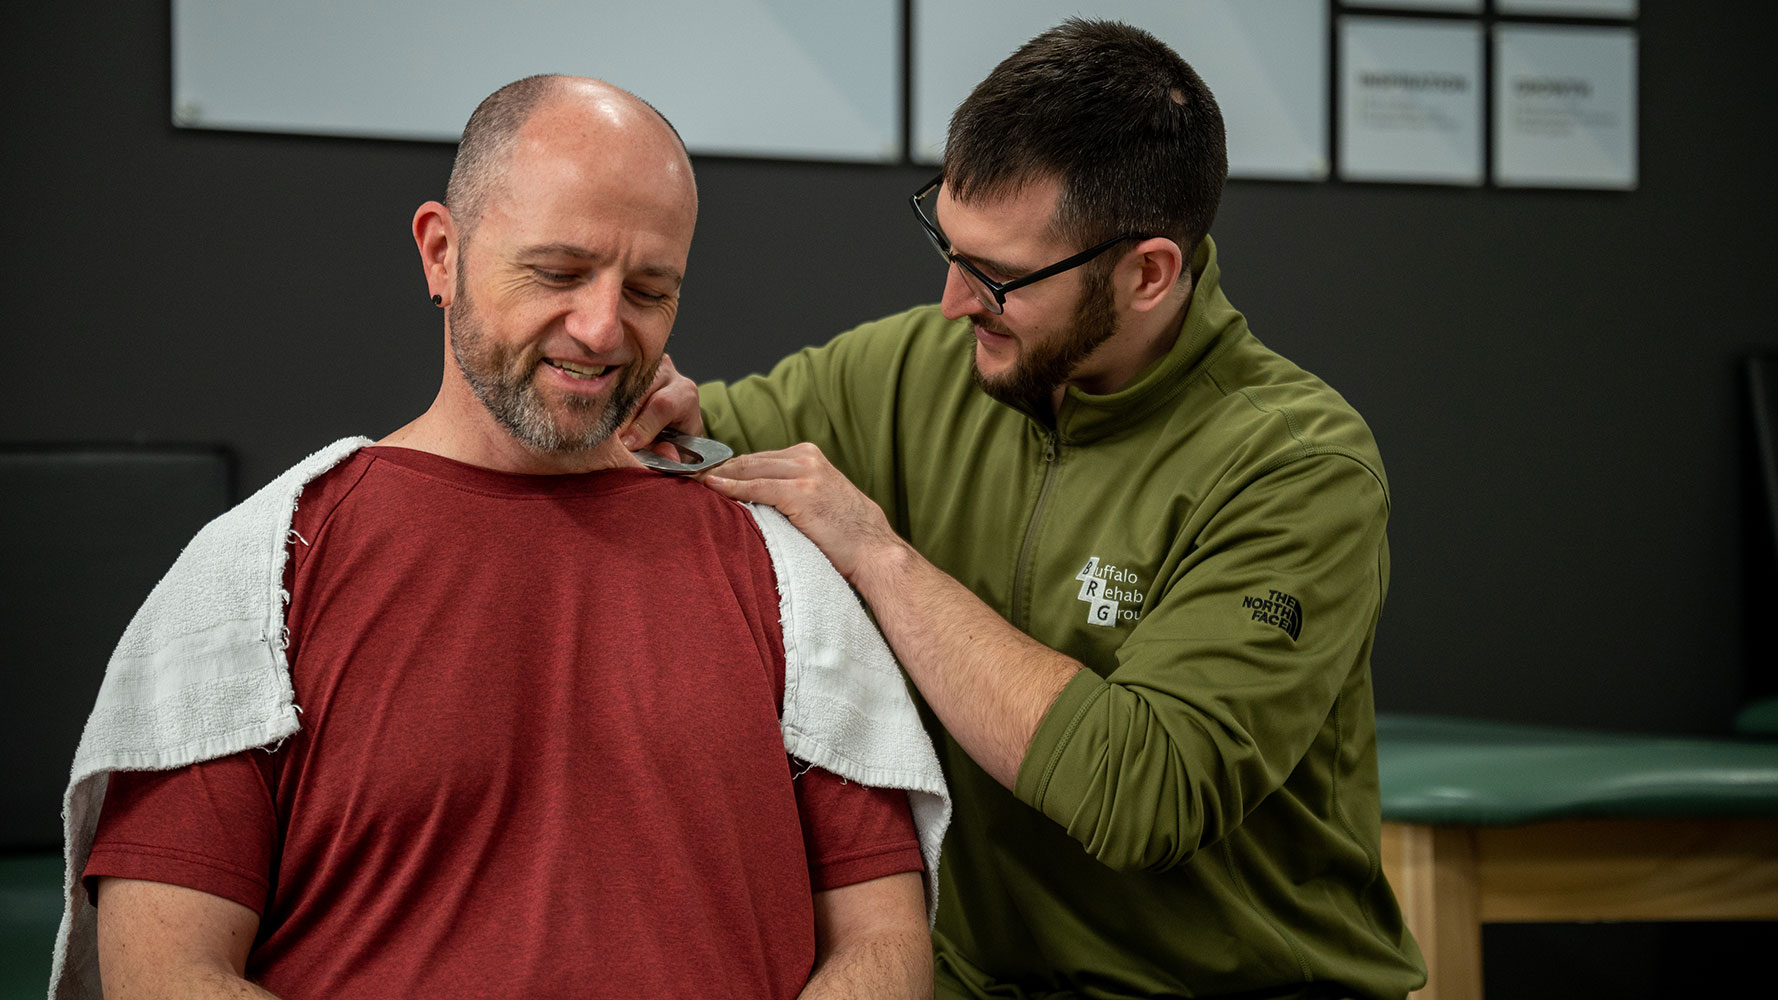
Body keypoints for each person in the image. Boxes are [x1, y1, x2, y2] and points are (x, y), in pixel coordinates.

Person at [49, 75, 949, 1000]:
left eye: (649, 288)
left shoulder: (778, 575)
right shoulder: (260, 575)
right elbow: (163, 971)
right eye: (558, 272)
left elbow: (883, 948)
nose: (603, 329)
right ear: (442, 254)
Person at [624, 19, 1427, 1000]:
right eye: (947, 243)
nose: (954, 301)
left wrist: (878, 557)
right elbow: (698, 442)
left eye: (999, 277)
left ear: (1147, 275)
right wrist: (648, 406)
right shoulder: (911, 366)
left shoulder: (1297, 468)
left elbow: (1141, 790)